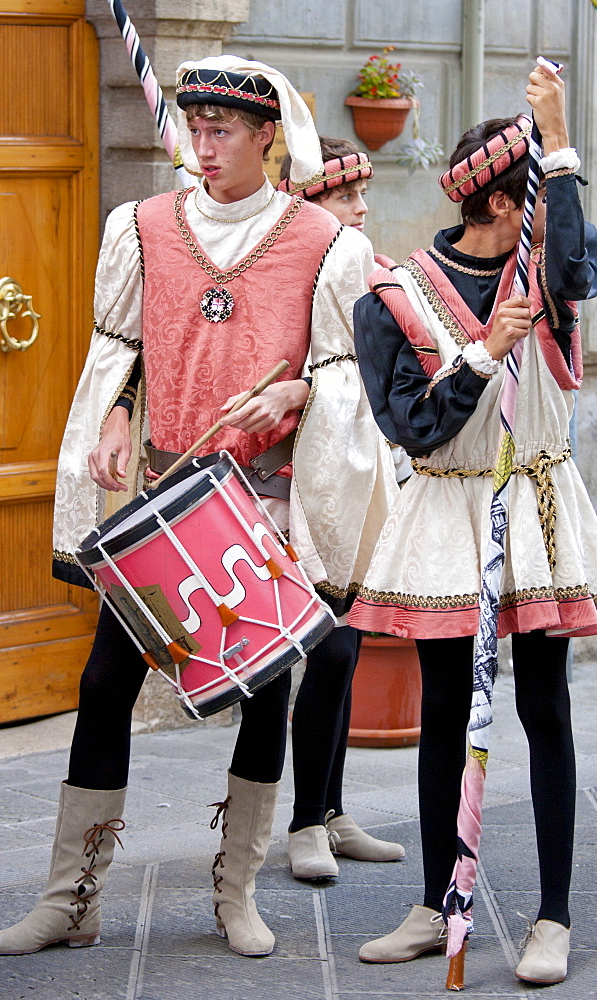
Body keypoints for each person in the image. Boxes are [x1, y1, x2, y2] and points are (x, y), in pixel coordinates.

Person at [0, 56, 397, 961]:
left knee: (264, 691)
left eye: (222, 133)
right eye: (195, 130)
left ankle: (237, 893)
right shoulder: (141, 227)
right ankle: (71, 898)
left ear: (265, 138)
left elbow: (345, 375)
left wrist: (292, 399)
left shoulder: (328, 246)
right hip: (169, 497)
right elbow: (122, 348)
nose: (203, 148)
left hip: (264, 505)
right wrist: (121, 417)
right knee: (102, 686)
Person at [347, 63, 597, 986]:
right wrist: (482, 352)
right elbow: (414, 427)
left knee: (544, 705)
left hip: (537, 502)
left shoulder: (550, 279)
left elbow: (583, 256)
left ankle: (551, 918)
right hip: (447, 512)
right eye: (543, 197)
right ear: (509, 208)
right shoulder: (393, 298)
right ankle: (440, 902)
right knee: (442, 715)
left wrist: (562, 140)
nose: (556, 217)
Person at [275, 138, 406, 880]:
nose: (362, 209)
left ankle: (330, 808)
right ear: (309, 209)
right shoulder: (288, 280)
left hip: (355, 480)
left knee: (348, 649)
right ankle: (301, 823)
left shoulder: (360, 272)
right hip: (294, 487)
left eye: (362, 195)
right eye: (346, 198)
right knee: (324, 653)